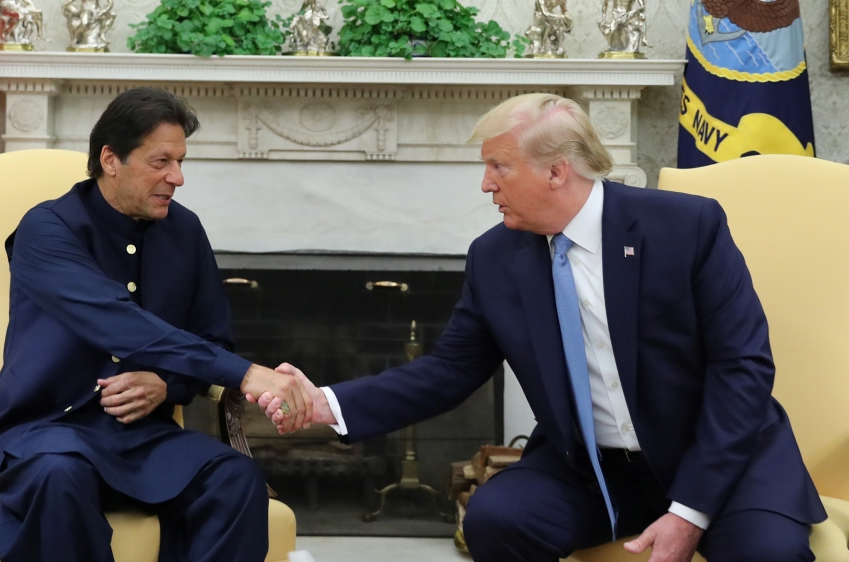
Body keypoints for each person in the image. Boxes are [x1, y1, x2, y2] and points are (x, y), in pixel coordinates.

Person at [256, 93, 826, 561]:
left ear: (556, 171)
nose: (485, 184)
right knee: (495, 519)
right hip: (594, 470)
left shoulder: (686, 227)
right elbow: (447, 371)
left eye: (498, 166)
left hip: (716, 457)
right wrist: (325, 403)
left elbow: (742, 369)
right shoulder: (494, 257)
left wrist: (689, 511)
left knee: (769, 554)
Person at [0, 87, 312, 562]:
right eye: (161, 162)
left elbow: (213, 337)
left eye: (180, 161)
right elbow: (118, 322)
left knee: (236, 478)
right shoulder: (46, 229)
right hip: (43, 433)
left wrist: (165, 385)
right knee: (59, 477)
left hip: (141, 438)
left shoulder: (185, 230)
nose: (177, 177)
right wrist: (248, 374)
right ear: (110, 159)